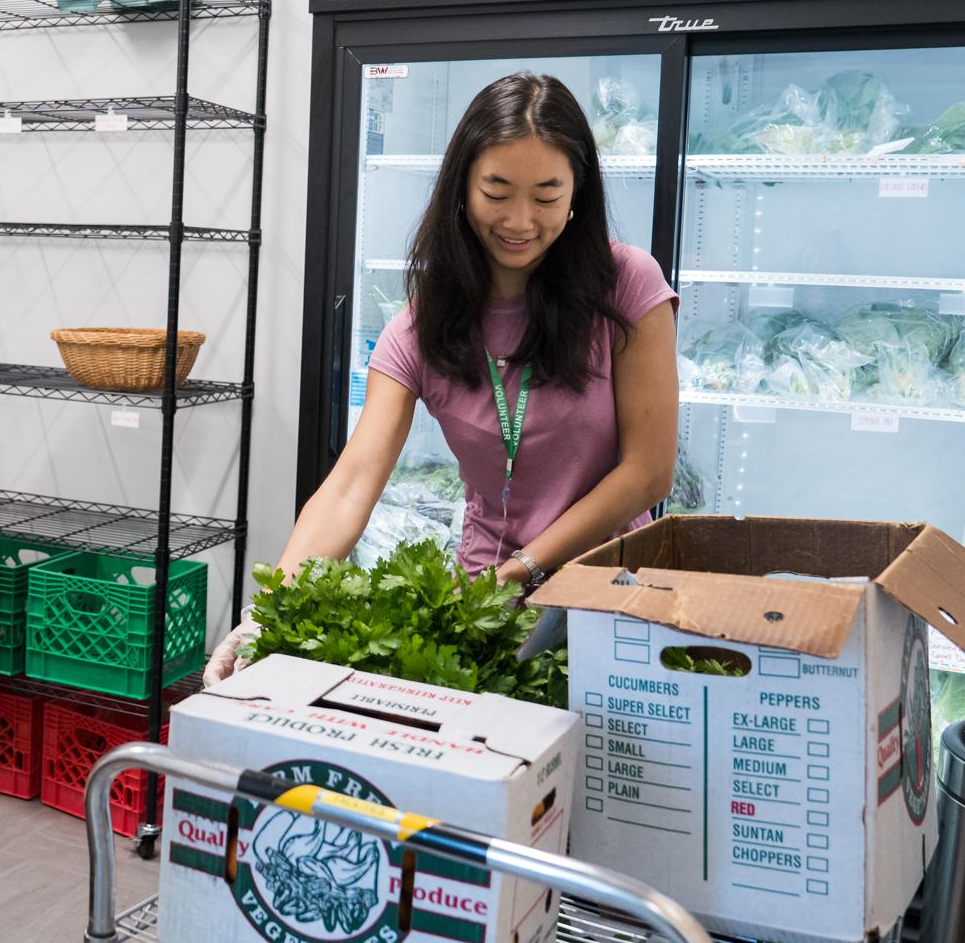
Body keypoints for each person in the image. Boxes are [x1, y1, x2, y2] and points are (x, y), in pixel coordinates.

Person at [206, 73, 678, 683]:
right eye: (497, 190)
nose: (520, 219)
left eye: (546, 194)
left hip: (607, 589)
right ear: (463, 187)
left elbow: (647, 471)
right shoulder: (423, 327)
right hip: (482, 600)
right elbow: (350, 485)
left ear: (577, 194)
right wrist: (267, 615)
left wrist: (528, 567)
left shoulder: (627, 285)